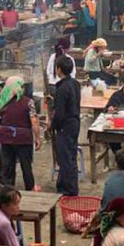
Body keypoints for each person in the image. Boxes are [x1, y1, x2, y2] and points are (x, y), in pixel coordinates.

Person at [0, 76, 41, 191]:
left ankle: (8, 191)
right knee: (26, 166)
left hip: (6, 138)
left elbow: (0, 120)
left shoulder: (3, 102)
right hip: (23, 139)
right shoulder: (28, 102)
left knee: (8, 167)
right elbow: (34, 121)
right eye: (22, 86)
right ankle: (30, 189)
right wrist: (38, 138)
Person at [52, 56, 81, 196]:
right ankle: (64, 185)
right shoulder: (75, 84)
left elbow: (59, 113)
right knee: (70, 155)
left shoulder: (62, 88)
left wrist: (54, 126)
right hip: (75, 123)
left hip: (66, 126)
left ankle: (69, 190)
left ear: (59, 69)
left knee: (65, 157)